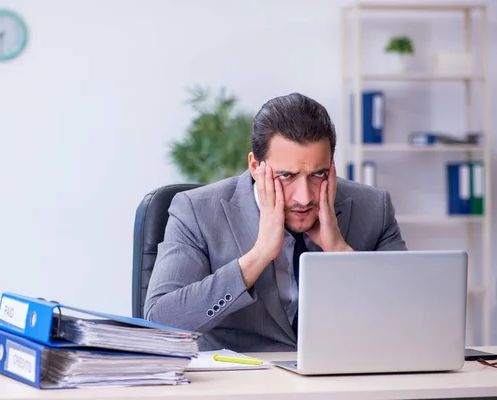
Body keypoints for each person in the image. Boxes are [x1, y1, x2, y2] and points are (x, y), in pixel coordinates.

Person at [144, 92, 407, 352]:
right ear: (255, 167)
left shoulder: (374, 209)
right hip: (244, 384)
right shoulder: (197, 212)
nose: (304, 198)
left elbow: (414, 312)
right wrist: (258, 256)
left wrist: (340, 252)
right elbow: (161, 322)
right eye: (286, 176)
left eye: (318, 174)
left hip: (341, 379)